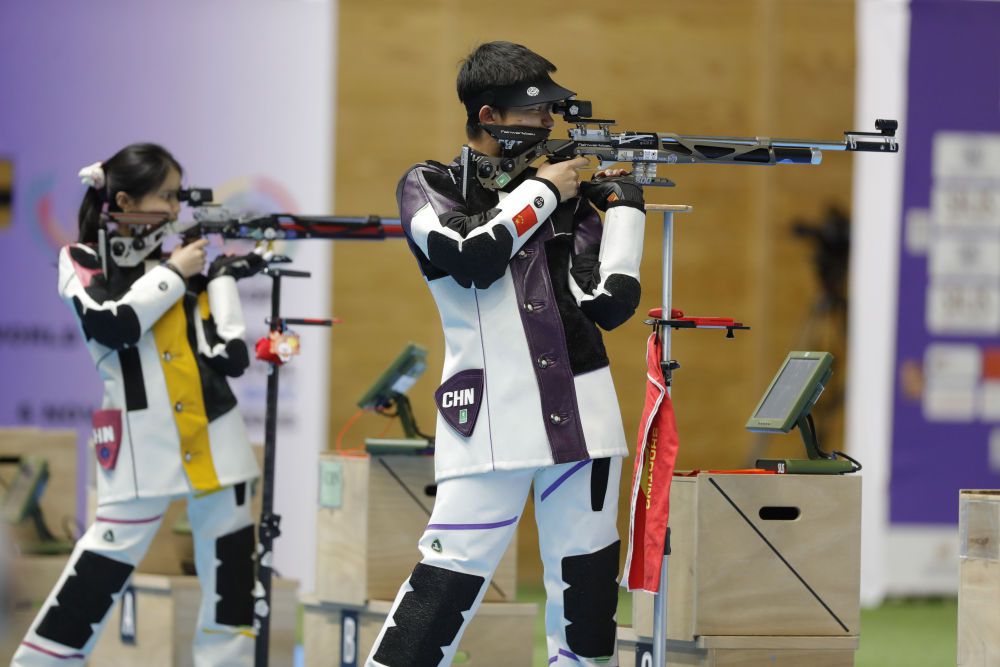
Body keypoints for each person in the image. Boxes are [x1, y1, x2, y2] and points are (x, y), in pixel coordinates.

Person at [367, 41, 646, 667]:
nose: (547, 123)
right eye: (534, 111)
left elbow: (608, 304)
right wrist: (544, 191)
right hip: (489, 416)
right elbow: (469, 255)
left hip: (584, 416)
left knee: (588, 593)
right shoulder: (429, 184)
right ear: (488, 115)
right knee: (445, 585)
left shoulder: (558, 194)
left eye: (550, 112)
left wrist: (626, 212)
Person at [12, 143, 265, 667]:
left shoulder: (174, 262)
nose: (174, 209)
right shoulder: (82, 259)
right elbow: (112, 326)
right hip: (139, 445)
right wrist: (174, 271)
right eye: (165, 196)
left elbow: (227, 355)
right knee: (96, 575)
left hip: (214, 434)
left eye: (177, 197)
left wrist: (219, 279)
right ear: (124, 200)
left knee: (233, 584)